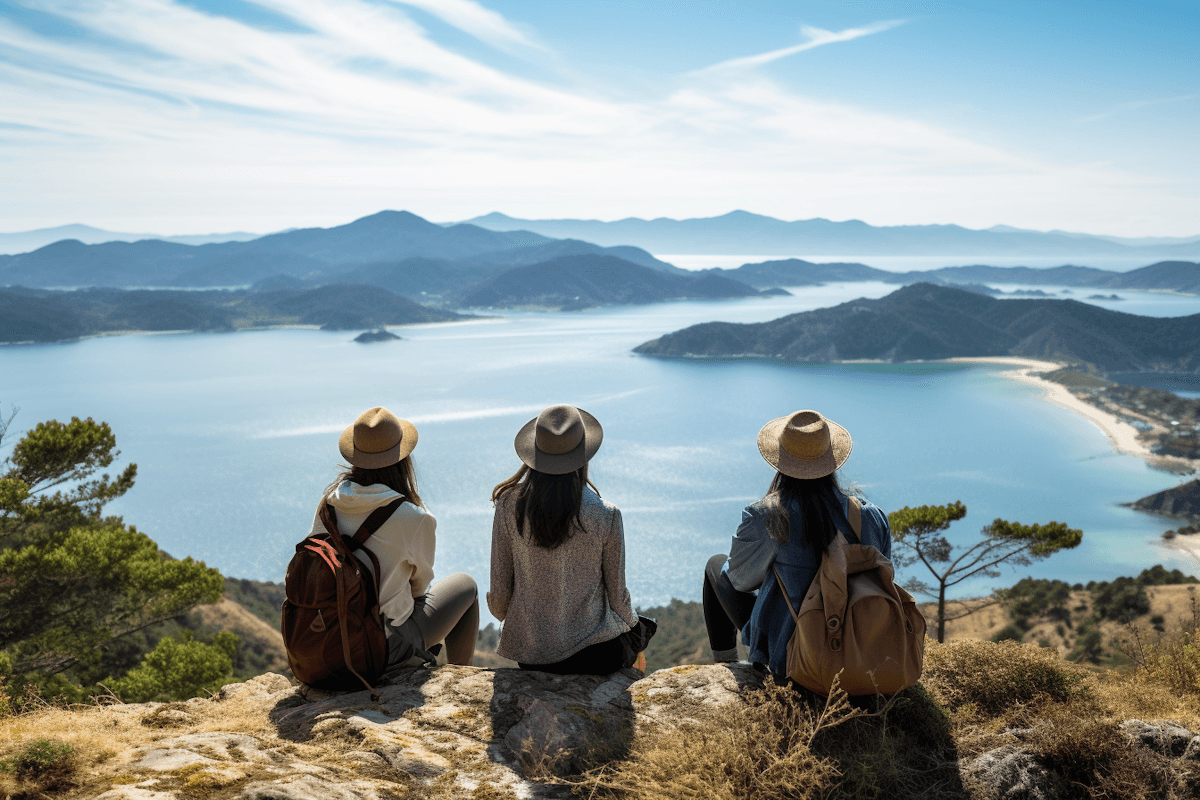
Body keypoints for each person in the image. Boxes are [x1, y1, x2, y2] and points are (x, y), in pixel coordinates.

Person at [702, 409, 892, 679]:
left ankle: (724, 665)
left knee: (716, 566)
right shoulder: (871, 516)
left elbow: (739, 581)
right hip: (861, 650)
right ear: (832, 460)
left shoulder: (768, 516)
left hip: (793, 657)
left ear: (780, 461)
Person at [487, 404, 654, 674]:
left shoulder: (507, 505)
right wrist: (639, 633)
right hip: (594, 655)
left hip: (530, 655)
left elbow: (499, 601)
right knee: (643, 627)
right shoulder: (606, 515)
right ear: (584, 455)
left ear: (534, 453)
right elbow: (618, 600)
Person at [312, 406, 479, 667]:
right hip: (380, 647)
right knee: (466, 585)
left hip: (329, 641)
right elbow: (420, 587)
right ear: (402, 460)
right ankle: (461, 675)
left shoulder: (329, 503)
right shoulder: (414, 517)